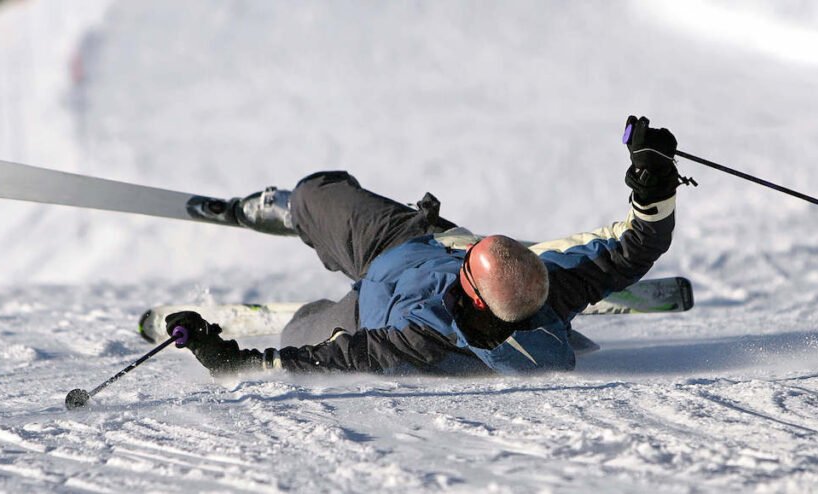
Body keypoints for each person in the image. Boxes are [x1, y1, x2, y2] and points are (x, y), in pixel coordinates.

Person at [165, 115, 682, 376]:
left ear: (476, 296)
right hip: (406, 239)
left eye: (468, 271)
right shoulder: (557, 285)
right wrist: (653, 180)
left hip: (358, 313)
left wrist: (233, 360)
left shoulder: (422, 339)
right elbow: (636, 244)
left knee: (301, 327)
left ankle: (298, 260)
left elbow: (333, 360)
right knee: (317, 194)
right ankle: (289, 210)